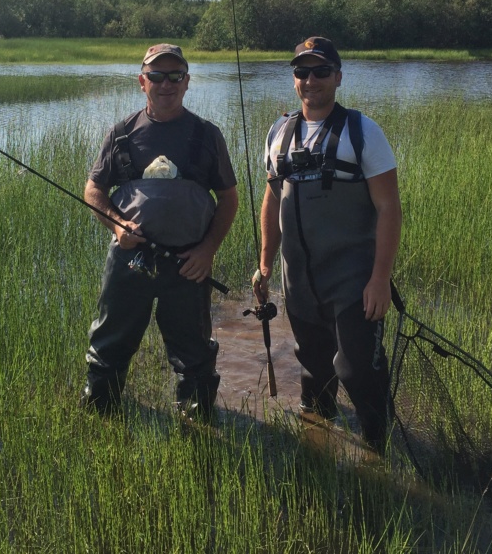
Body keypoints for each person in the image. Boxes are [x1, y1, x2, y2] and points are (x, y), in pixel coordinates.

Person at [253, 36, 402, 448]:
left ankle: (378, 452)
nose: (310, 80)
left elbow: (389, 209)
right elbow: (271, 197)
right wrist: (265, 264)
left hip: (354, 282)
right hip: (298, 281)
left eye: (321, 71)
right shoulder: (279, 132)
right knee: (314, 373)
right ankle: (318, 445)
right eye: (302, 72)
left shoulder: (363, 131)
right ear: (294, 80)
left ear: (338, 77)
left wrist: (380, 279)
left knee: (358, 372)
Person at [81, 43, 239, 423]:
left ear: (187, 82)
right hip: (130, 261)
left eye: (175, 76)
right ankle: (101, 414)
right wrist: (118, 226)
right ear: (142, 81)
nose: (165, 84)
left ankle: (197, 425)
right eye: (156, 76)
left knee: (194, 352)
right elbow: (94, 191)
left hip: (188, 264)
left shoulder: (207, 134)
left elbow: (229, 199)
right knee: (110, 343)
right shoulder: (121, 134)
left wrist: (207, 251)